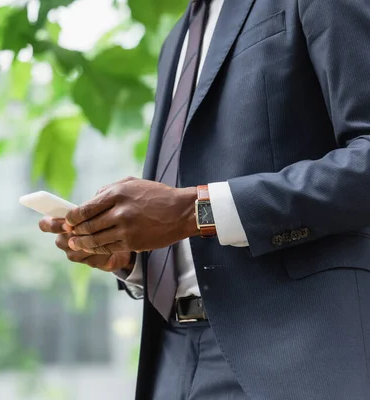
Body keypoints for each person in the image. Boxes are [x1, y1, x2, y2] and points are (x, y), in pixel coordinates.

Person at [39, 0, 370, 398]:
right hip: (170, 355)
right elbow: (183, 203)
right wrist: (131, 255)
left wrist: (196, 211)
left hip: (295, 354)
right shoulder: (177, 40)